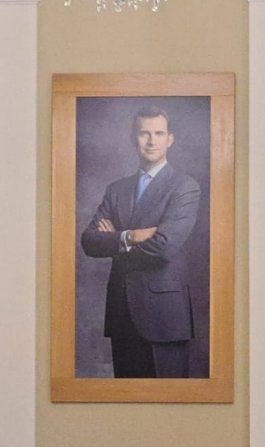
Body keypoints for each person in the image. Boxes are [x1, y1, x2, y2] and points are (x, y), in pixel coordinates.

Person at [80, 106, 202, 378]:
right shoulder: (116, 189)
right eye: (144, 133)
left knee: (167, 401)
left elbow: (164, 247)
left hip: (164, 318)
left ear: (170, 139)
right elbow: (89, 241)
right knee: (126, 399)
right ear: (132, 138)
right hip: (121, 314)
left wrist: (115, 242)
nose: (151, 141)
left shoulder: (184, 187)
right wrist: (131, 236)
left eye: (159, 133)